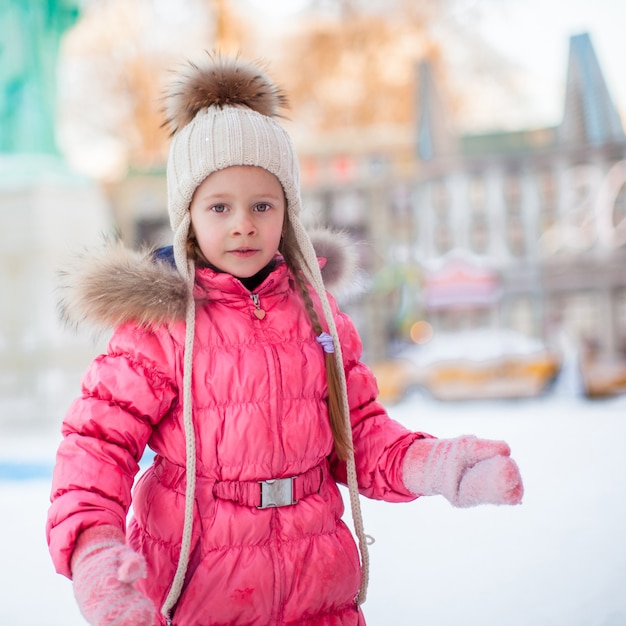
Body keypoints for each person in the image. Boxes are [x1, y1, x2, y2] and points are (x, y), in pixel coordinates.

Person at [46, 54, 523, 626]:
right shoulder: (161, 328)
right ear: (188, 217)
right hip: (201, 592)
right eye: (219, 207)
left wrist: (442, 466)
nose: (243, 223)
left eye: (262, 205)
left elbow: (362, 436)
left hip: (318, 590)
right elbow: (97, 444)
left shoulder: (317, 316)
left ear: (288, 215)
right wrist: (96, 551)